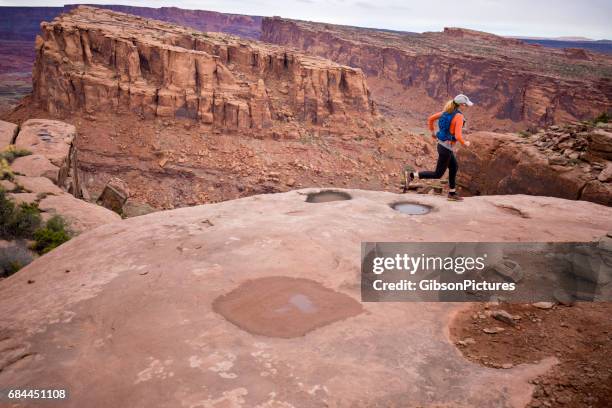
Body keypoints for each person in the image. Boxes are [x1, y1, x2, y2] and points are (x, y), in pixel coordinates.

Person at [405, 94, 474, 201]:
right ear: (462, 105)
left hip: (442, 146)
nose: (467, 107)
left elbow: (431, 119)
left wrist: (432, 132)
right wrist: (465, 143)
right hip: (446, 149)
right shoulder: (459, 117)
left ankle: (452, 193)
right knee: (437, 174)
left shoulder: (446, 112)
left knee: (454, 167)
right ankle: (411, 175)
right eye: (466, 105)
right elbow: (458, 136)